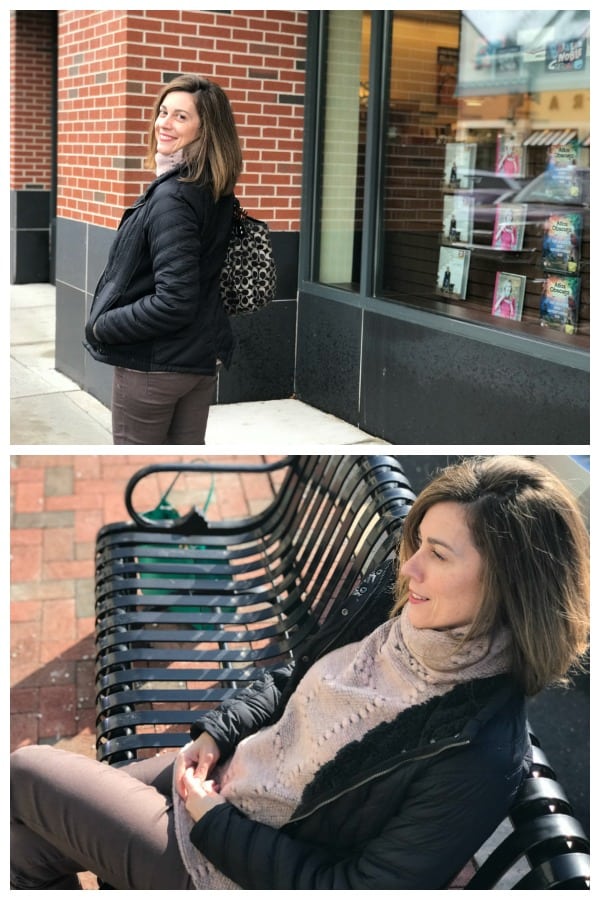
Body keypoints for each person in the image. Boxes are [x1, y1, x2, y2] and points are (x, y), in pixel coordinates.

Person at [10, 456, 590, 890]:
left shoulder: (479, 752)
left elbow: (356, 890)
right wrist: (218, 731)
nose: (408, 566)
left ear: (509, 584)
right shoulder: (410, 619)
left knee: (25, 774)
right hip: (238, 775)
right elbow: (294, 674)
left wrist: (212, 822)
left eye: (438, 555)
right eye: (417, 543)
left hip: (232, 868)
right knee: (25, 843)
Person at [83, 75, 243, 445]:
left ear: (206, 130)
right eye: (163, 111)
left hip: (155, 368)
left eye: (181, 117)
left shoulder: (173, 197)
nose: (164, 123)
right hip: (198, 362)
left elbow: (175, 300)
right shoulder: (214, 188)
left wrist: (102, 325)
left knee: (136, 458)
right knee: (185, 459)